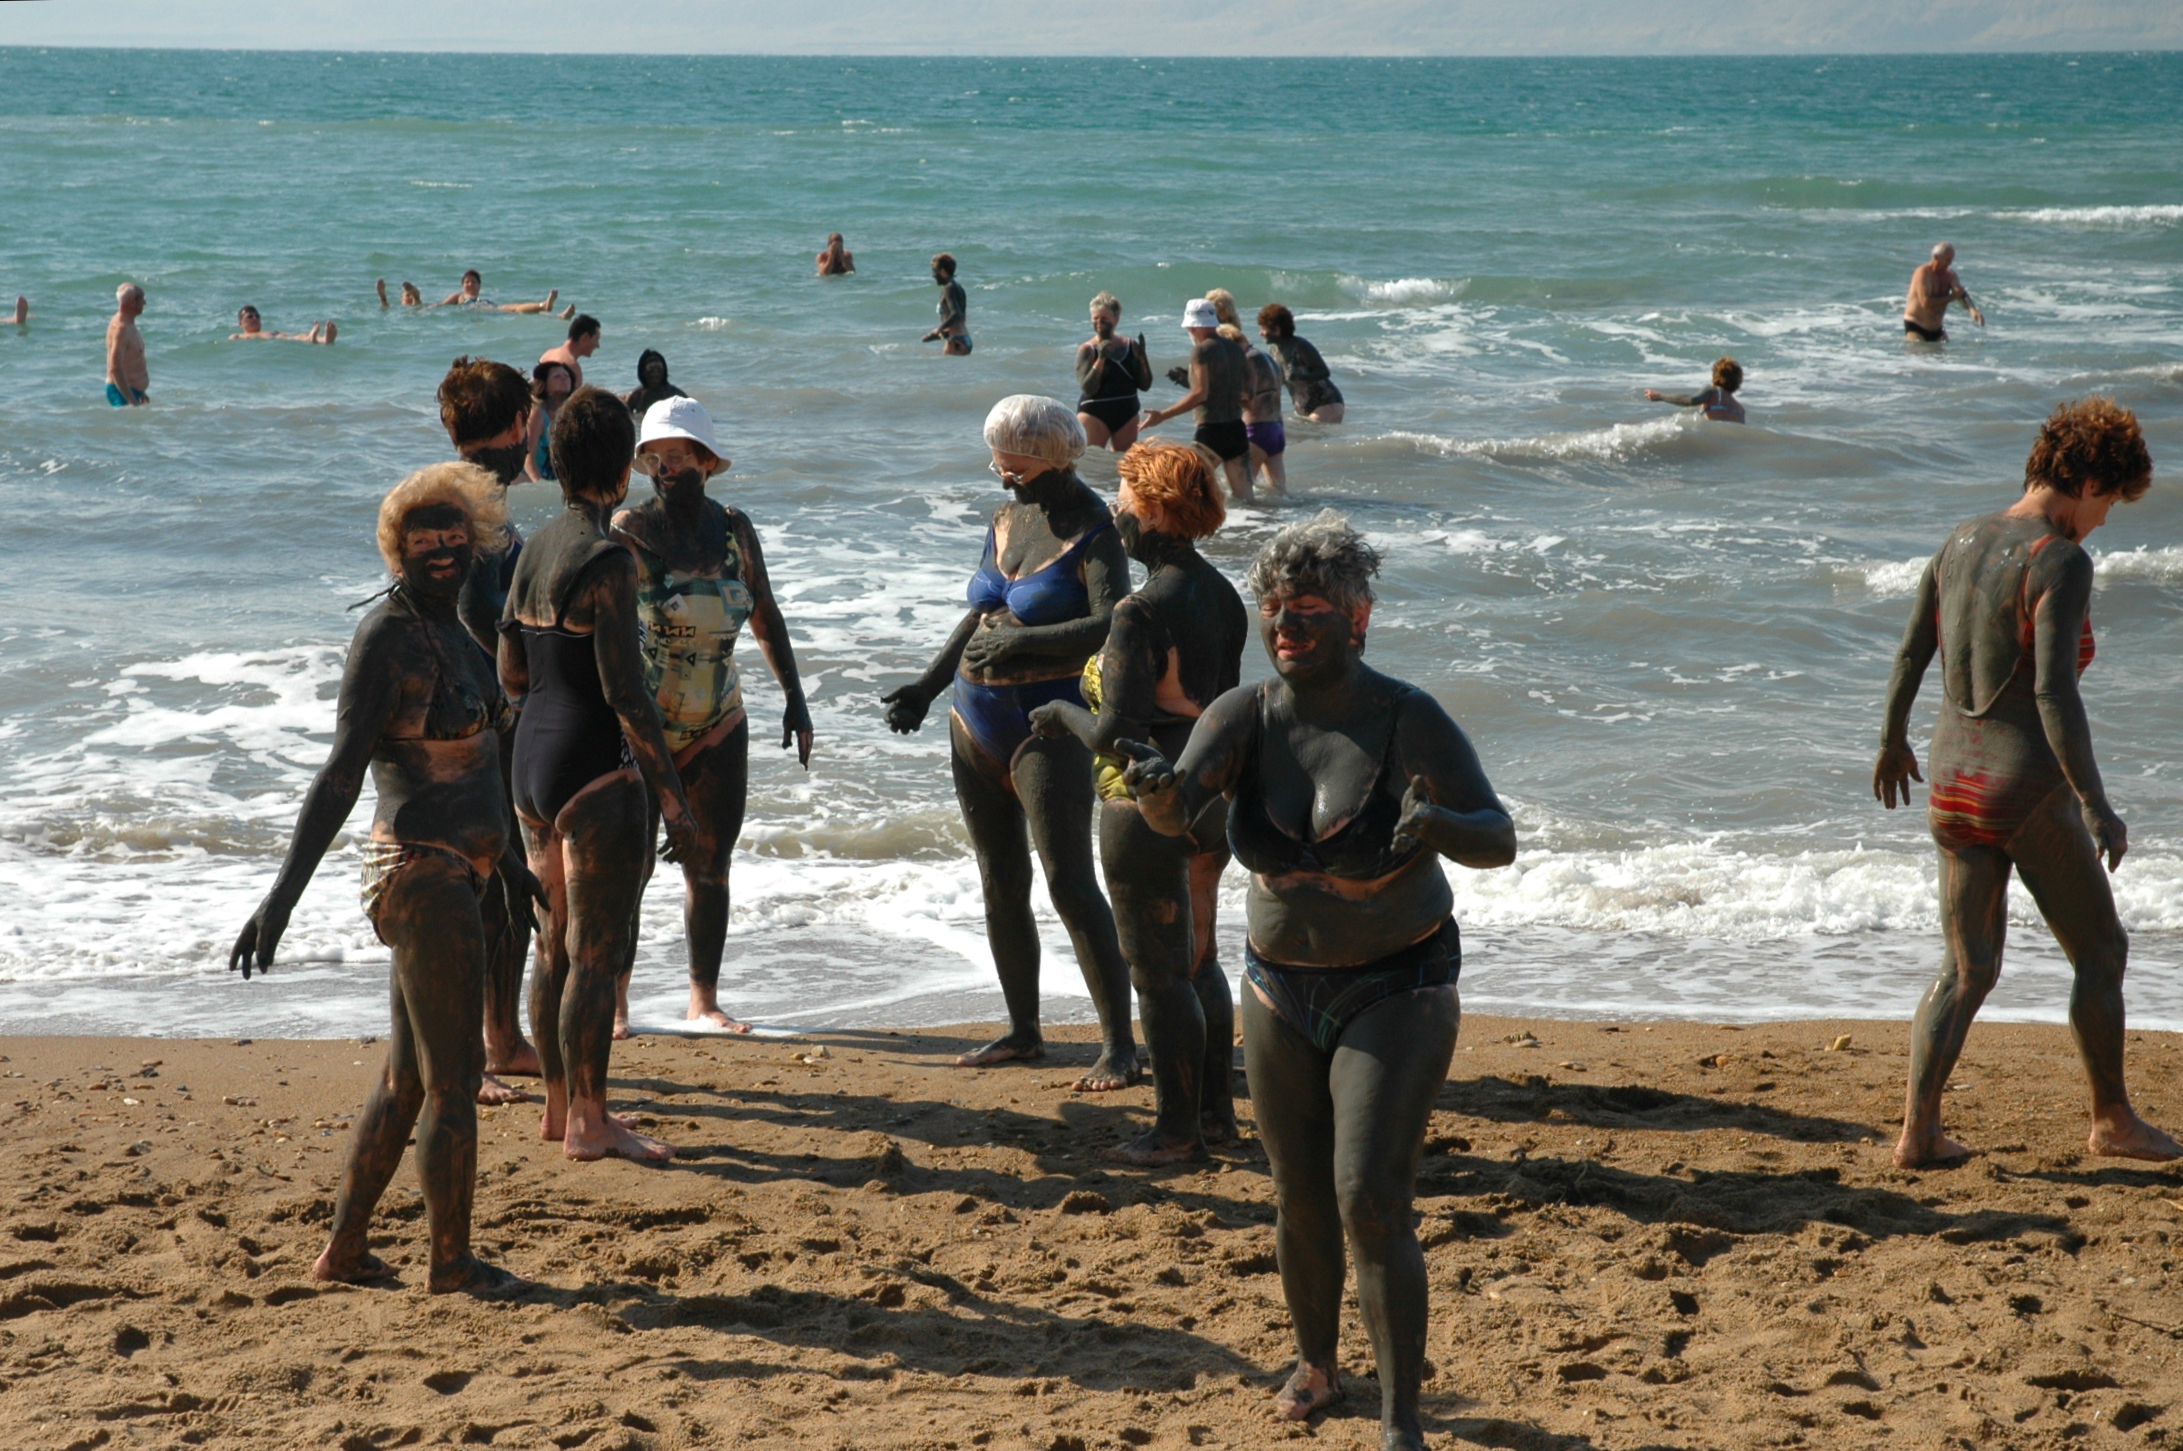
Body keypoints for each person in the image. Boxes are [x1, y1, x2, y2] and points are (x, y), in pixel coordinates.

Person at [1122, 512, 1515, 1449]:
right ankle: (1315, 1363)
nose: (1283, 625)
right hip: (1275, 985)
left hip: (1397, 981)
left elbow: (1496, 838)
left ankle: (1401, 1416)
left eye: (1306, 611)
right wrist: (1150, 786)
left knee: (1370, 1195)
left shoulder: (1405, 715)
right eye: (1273, 609)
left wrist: (1438, 827)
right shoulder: (1244, 716)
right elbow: (1178, 813)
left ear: (1358, 617)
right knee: (1297, 1193)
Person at [229, 463, 531, 1294]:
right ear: (396, 548)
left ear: (476, 538)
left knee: (407, 1078)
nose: (441, 547)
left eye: (453, 532)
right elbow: (338, 775)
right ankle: (452, 1264)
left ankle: (344, 1251)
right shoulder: (386, 637)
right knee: (455, 1080)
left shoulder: (462, 632)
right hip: (418, 870)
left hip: (463, 870)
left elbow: (477, 763)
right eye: (422, 536)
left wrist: (507, 860)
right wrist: (279, 898)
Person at [1875, 397, 2175, 1170]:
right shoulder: (2060, 559)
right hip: (2021, 789)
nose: (2104, 521)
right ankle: (2111, 1119)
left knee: (1966, 965)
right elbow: (2051, 693)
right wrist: (2094, 802)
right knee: (2101, 950)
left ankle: (1916, 1133)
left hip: (1947, 779)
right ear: (2080, 478)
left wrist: (1888, 742)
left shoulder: (1959, 539)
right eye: (2107, 501)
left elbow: (1911, 653)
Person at [880, 395, 1137, 1089]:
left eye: (1013, 467)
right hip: (973, 719)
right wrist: (926, 686)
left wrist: (1022, 642)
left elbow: (1111, 622)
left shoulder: (1094, 528)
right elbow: (980, 614)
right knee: (999, 881)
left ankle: (1119, 1043)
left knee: (1069, 883)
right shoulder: (1007, 516)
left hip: (1044, 725)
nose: (1001, 478)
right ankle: (1024, 1030)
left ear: (1051, 461)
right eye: (999, 465)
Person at [1028, 441, 1246, 1162]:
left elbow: (1114, 736)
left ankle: (1175, 1132)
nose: (1117, 511)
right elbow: (1219, 709)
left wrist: (1060, 714)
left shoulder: (1139, 610)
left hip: (1140, 805)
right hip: (1208, 796)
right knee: (1200, 963)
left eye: (1123, 499)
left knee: (1156, 975)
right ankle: (1217, 1117)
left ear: (1153, 506)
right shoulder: (1221, 594)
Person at [501, 387, 703, 1162]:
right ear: (624, 469)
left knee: (552, 942)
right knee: (594, 949)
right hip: (594, 764)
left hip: (530, 762)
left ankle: (558, 1108)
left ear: (551, 460)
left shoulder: (533, 549)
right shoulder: (608, 557)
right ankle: (590, 1118)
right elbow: (625, 691)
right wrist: (673, 799)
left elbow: (511, 670)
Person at [610, 397, 814, 1035]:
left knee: (711, 863)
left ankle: (703, 1000)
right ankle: (615, 1004)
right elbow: (606, 634)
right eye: (656, 457)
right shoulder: (629, 530)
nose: (667, 468)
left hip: (720, 714)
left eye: (679, 456)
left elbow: (765, 614)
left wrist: (796, 698)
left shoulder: (733, 528)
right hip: (643, 723)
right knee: (631, 869)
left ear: (705, 460)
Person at [439, 356, 546, 1104]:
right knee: (474, 887)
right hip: (471, 723)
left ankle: (501, 1039)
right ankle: (470, 1056)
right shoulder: (475, 501)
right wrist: (511, 689)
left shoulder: (459, 492)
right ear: (518, 425)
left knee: (501, 883)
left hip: (465, 713)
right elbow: (476, 605)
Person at [1139, 299, 1252, 501]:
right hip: (1237, 430)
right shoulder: (1236, 348)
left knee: (1184, 491)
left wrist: (1162, 415)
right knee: (1247, 499)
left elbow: (1200, 393)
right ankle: (1258, 531)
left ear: (1191, 326)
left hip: (1212, 433)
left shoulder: (1201, 350)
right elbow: (1250, 389)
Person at [1075, 292, 1152, 452]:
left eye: (1104, 319)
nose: (1099, 323)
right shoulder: (1087, 350)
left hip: (1127, 413)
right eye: (1095, 318)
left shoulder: (1131, 346)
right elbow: (1088, 388)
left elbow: (1145, 385)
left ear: (1116, 319)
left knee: (1124, 464)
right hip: (1094, 413)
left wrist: (1142, 358)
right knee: (1093, 461)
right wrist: (1101, 358)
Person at [1228, 321, 1291, 495]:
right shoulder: (1268, 357)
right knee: (1279, 494)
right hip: (1277, 430)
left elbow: (1248, 399)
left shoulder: (1246, 360)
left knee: (1242, 496)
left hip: (1256, 431)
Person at [1258, 304, 1345, 423]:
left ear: (1277, 330)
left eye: (1263, 328)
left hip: (1327, 403)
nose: (1261, 333)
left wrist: (1300, 377)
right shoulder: (1274, 351)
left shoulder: (1300, 346)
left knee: (1311, 431)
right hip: (1304, 409)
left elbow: (1324, 371)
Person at [1903, 242, 1984, 342]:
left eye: (1951, 259)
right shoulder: (1922, 273)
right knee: (1920, 353)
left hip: (1937, 329)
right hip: (1916, 325)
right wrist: (1951, 297)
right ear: (1936, 257)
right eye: (1947, 259)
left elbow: (1960, 293)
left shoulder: (1950, 275)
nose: (1950, 263)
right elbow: (1926, 302)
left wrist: (1973, 311)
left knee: (1945, 356)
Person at [1645, 358, 1744, 423]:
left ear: (1715, 376)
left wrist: (1660, 396)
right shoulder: (1740, 409)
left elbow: (1691, 400)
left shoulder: (1713, 391)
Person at [432, 271, 570, 316]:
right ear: (462, 285)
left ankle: (546, 307)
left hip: (489, 306)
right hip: (476, 308)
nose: (470, 284)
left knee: (515, 307)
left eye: (473, 281)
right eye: (467, 282)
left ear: (479, 286)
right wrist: (429, 308)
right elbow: (443, 305)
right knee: (514, 310)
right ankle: (545, 307)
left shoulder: (482, 298)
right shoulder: (459, 296)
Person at [525, 361, 575, 483]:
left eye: (566, 376)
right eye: (557, 376)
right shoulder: (537, 413)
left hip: (555, 478)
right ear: (545, 385)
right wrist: (539, 484)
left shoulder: (570, 412)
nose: (564, 379)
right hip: (530, 477)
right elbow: (528, 455)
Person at [105, 283, 149, 407]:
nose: (145, 303)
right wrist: (131, 399)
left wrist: (141, 392)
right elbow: (115, 367)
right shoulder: (121, 328)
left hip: (132, 391)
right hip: (121, 392)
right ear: (132, 302)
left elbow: (131, 360)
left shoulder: (129, 323)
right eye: (142, 298)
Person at [922, 253, 971, 356]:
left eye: (935, 271)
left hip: (956, 342)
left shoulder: (948, 288)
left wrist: (939, 329)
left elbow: (956, 313)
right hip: (962, 339)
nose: (933, 275)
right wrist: (937, 335)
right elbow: (960, 318)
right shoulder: (958, 287)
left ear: (943, 272)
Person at [623, 349, 687, 419]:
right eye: (651, 368)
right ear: (643, 372)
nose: (656, 373)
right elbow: (624, 419)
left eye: (659, 368)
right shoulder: (636, 396)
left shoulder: (675, 394)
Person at [541, 314, 600, 389]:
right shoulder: (572, 366)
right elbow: (574, 400)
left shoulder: (548, 354)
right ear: (585, 337)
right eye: (596, 339)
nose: (598, 345)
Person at [230, 306, 336, 344]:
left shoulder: (268, 331)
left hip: (275, 334)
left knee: (301, 336)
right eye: (250, 317)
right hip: (271, 340)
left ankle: (324, 339)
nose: (255, 318)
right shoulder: (237, 336)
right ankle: (314, 339)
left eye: (257, 316)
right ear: (240, 323)